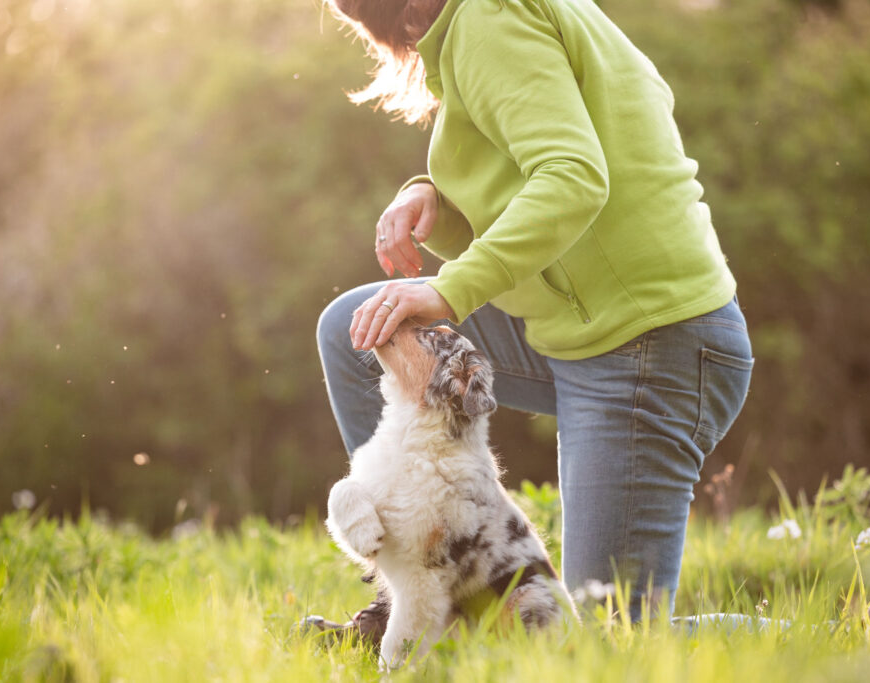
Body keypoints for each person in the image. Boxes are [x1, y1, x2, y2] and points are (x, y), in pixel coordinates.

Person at [312, 0, 754, 637]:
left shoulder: (489, 18)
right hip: (577, 330)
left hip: (651, 344)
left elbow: (573, 175)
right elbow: (537, 163)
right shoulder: (484, 21)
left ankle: (855, 629)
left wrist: (450, 291)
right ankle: (423, 589)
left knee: (606, 647)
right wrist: (432, 196)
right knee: (359, 329)